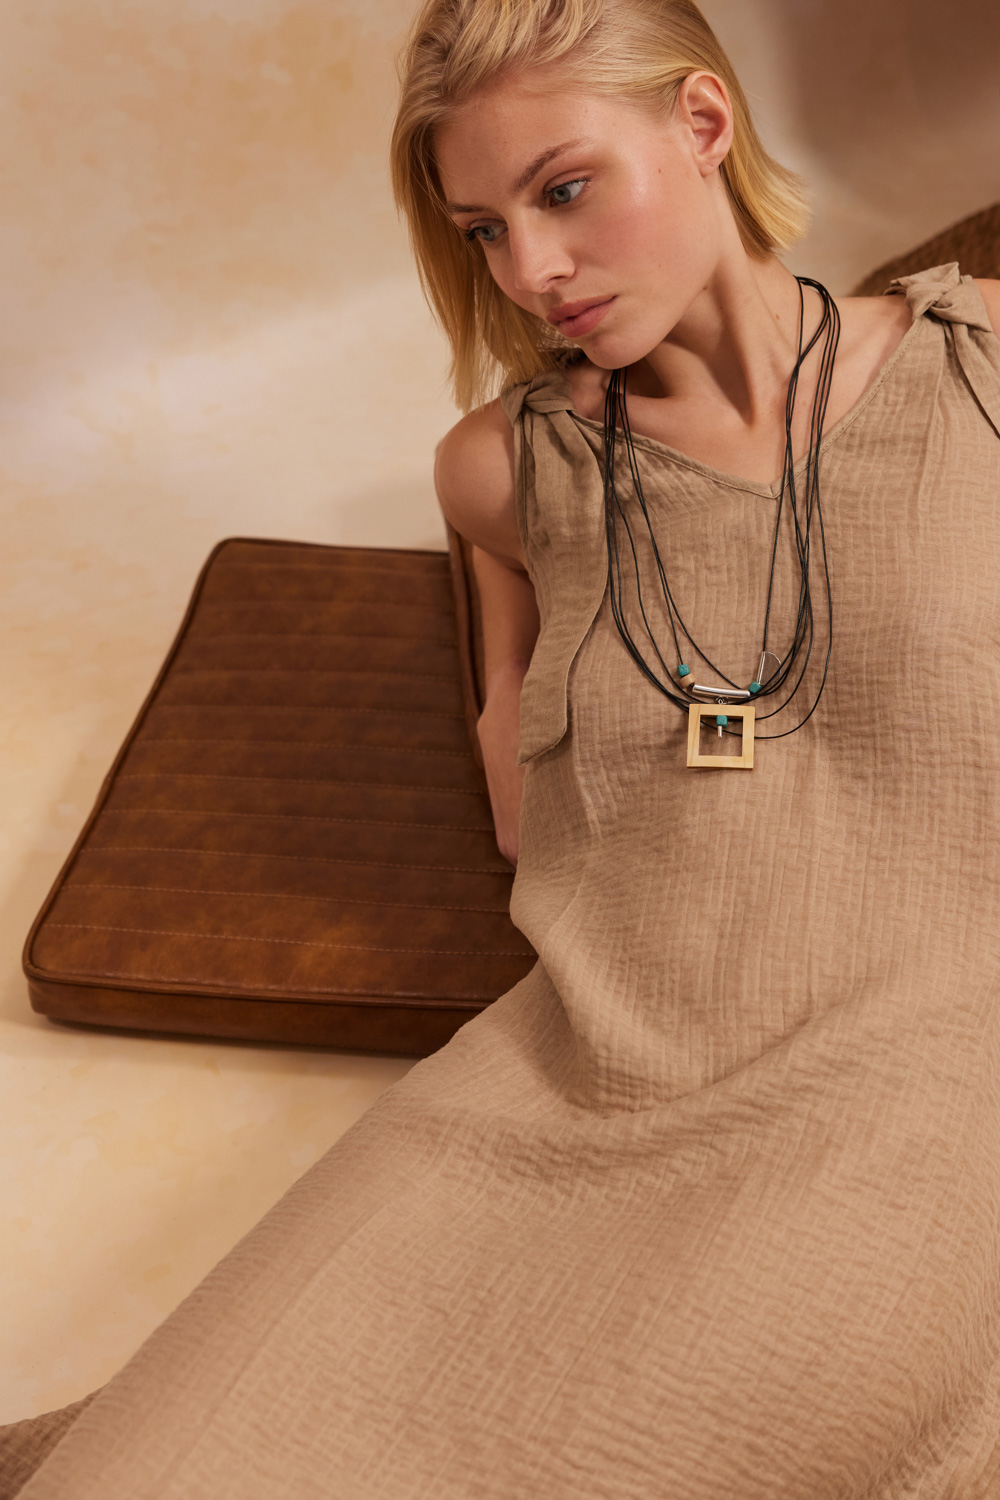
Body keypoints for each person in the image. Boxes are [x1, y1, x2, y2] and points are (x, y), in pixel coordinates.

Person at [9, 1, 1000, 1496]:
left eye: (565, 189)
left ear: (703, 125)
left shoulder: (976, 366)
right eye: (483, 230)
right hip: (555, 1105)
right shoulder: (503, 472)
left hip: (924, 1113)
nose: (532, 269)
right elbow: (527, 808)